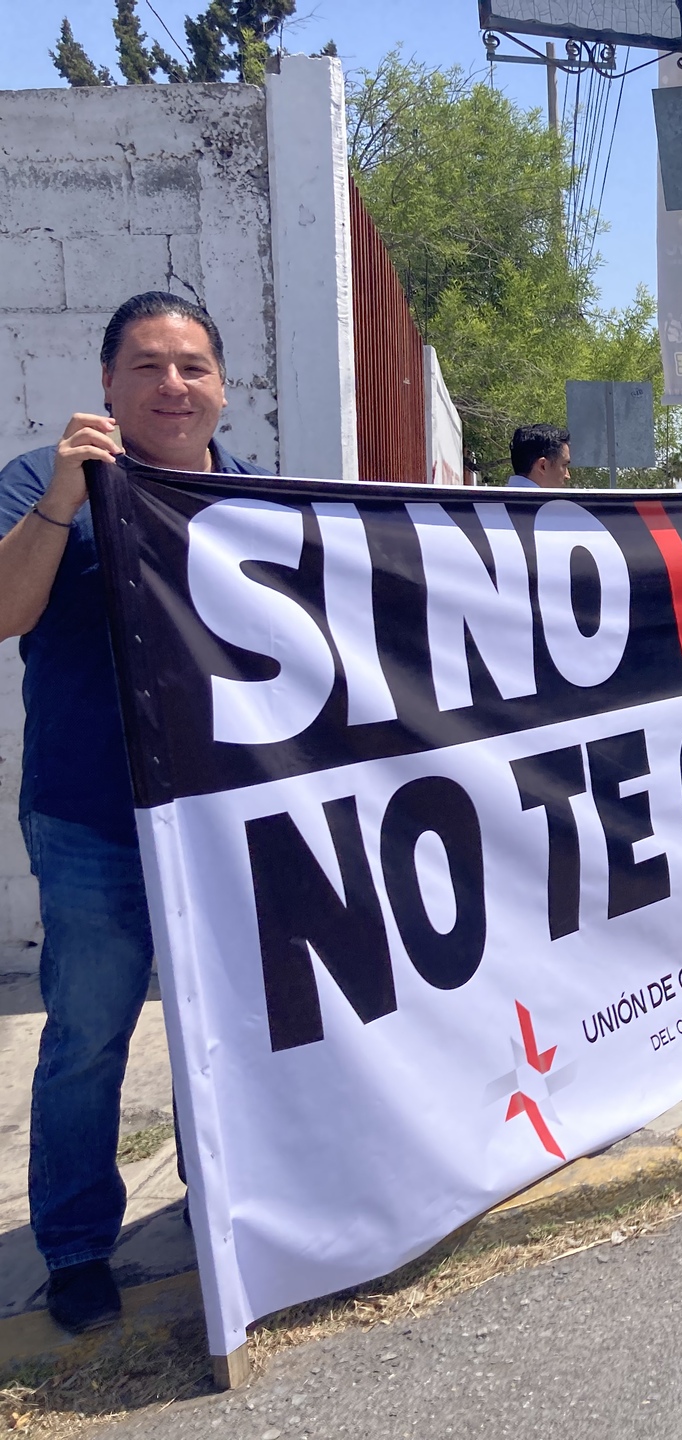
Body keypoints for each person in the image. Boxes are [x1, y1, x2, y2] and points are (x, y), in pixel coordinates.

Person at [0, 292, 272, 1335]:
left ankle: (228, 1209)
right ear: (108, 382)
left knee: (238, 1028)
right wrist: (62, 501)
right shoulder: (42, 480)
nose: (172, 385)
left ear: (222, 387)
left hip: (222, 822)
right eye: (149, 366)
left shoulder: (253, 496)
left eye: (192, 366)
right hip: (92, 822)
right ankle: (75, 1247)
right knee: (88, 1038)